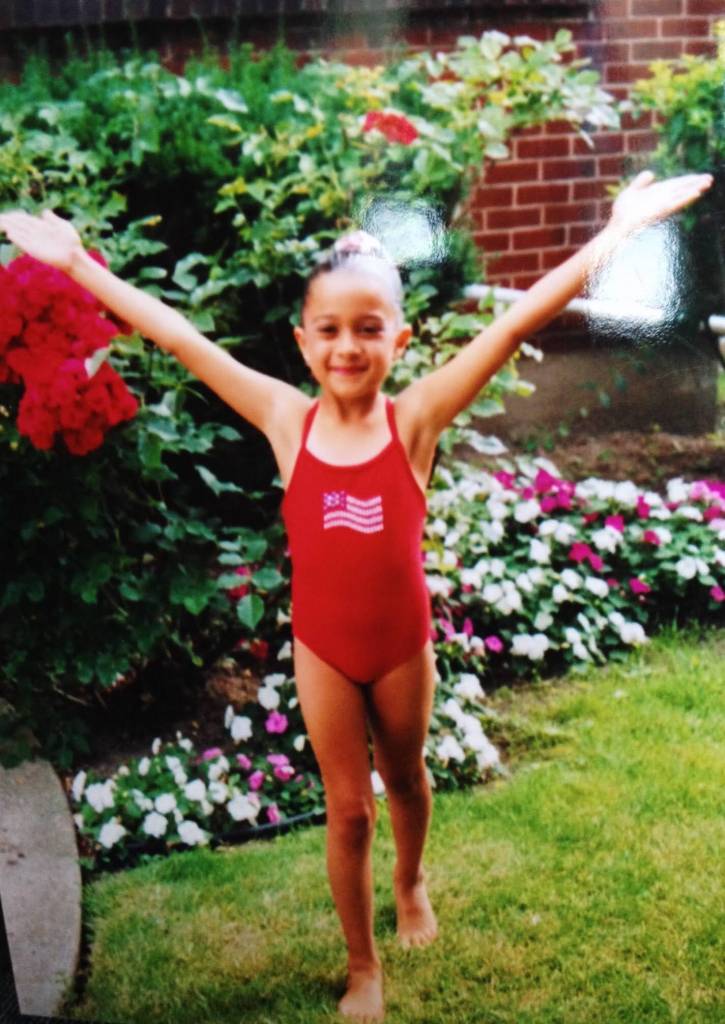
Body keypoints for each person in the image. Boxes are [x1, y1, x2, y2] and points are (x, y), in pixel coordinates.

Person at [0, 168, 712, 1022]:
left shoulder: (415, 419)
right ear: (304, 343)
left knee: (406, 781)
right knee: (346, 813)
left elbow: (521, 315)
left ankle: (411, 885)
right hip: (324, 651)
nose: (348, 347)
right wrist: (78, 263)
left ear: (398, 340)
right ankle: (361, 965)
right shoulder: (281, 418)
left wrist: (620, 230)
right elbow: (181, 337)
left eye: (368, 329)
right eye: (330, 330)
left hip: (401, 645)